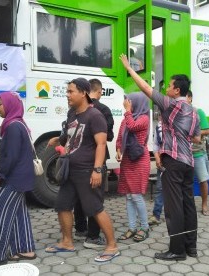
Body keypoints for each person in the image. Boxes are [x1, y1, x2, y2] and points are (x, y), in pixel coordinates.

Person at [120, 54, 201, 261]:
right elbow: (197, 138)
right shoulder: (193, 111)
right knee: (188, 205)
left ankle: (177, 250)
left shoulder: (172, 104)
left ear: (177, 90)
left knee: (174, 208)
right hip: (188, 162)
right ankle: (191, 248)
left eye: (169, 86)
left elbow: (147, 90)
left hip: (173, 162)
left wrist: (130, 69)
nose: (166, 88)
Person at [45, 78, 119, 262]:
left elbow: (101, 144)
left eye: (71, 92)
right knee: (62, 205)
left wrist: (97, 170)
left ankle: (112, 246)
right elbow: (71, 135)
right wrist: (58, 139)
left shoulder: (95, 116)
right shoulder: (73, 114)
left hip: (87, 170)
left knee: (94, 208)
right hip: (70, 169)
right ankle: (67, 242)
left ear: (84, 93)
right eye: (67, 92)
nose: (67, 95)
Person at [0, 92, 36, 270]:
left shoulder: (12, 127)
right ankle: (25, 250)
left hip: (14, 178)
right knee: (18, 214)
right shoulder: (19, 123)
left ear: (10, 105)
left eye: (1, 104)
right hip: (22, 177)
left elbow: (10, 157)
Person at [74, 78, 114, 249]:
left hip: (78, 159)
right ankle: (93, 237)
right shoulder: (103, 109)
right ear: (100, 91)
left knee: (79, 195)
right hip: (96, 159)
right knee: (95, 197)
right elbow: (108, 136)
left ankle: (80, 229)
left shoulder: (76, 107)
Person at [116, 92, 151, 242]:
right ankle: (132, 227)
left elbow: (132, 126)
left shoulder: (144, 118)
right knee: (129, 196)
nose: (126, 103)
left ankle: (145, 227)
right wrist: (118, 150)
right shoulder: (127, 118)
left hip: (139, 160)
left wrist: (128, 112)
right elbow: (120, 136)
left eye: (129, 101)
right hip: (127, 160)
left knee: (136, 195)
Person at [187, 90, 209, 215]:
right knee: (186, 182)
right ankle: (188, 206)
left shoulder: (198, 112)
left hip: (197, 153)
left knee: (203, 180)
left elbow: (207, 130)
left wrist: (192, 133)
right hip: (183, 154)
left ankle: (204, 204)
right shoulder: (178, 114)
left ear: (190, 98)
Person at [148, 116, 163, 225]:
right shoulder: (159, 126)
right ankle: (156, 215)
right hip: (163, 162)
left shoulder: (178, 122)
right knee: (159, 189)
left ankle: (180, 215)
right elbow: (156, 144)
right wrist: (157, 158)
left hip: (177, 162)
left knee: (178, 189)